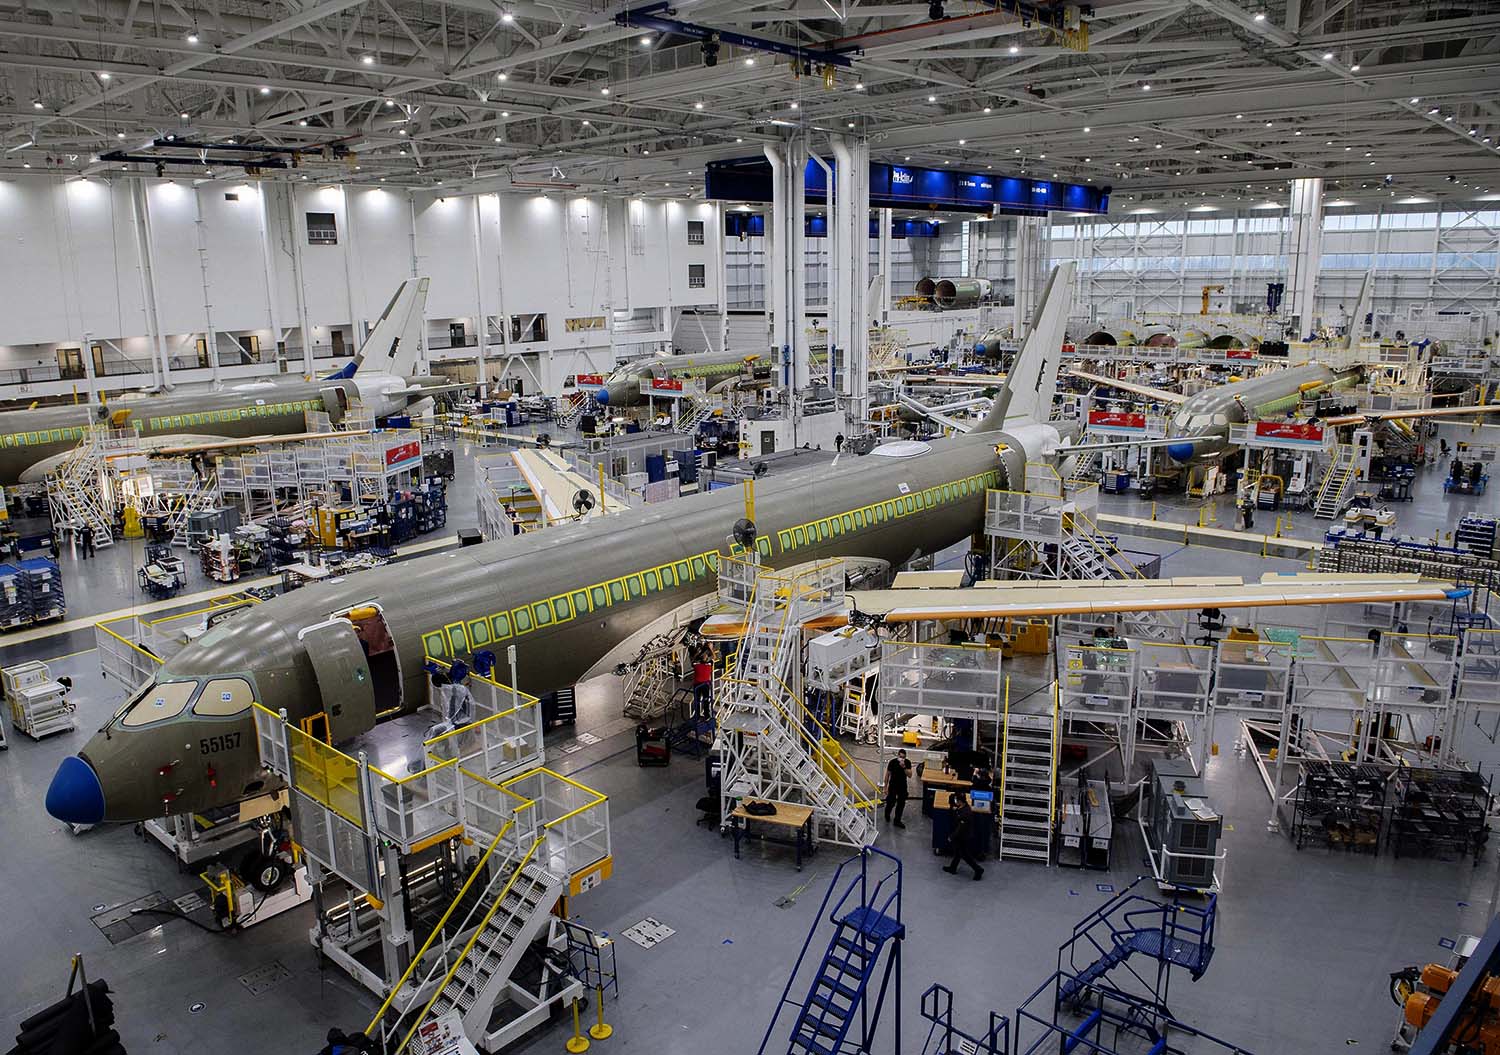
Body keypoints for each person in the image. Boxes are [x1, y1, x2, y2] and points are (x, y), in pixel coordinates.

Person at [942, 791, 984, 881]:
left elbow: (960, 829)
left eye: (957, 800)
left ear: (961, 801)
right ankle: (953, 868)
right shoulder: (961, 807)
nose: (955, 801)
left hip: (963, 836)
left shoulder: (965, 813)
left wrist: (952, 837)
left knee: (965, 855)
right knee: (957, 853)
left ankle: (978, 869)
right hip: (961, 835)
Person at [883, 749, 911, 828]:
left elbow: (910, 775)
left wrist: (904, 767)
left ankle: (897, 820)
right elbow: (887, 775)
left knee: (901, 803)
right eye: (900, 757)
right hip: (893, 785)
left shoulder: (907, 763)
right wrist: (885, 787)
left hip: (902, 786)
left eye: (903, 757)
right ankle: (887, 814)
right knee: (891, 802)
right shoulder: (892, 762)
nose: (902, 759)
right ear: (898, 755)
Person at [691, 644, 714, 720]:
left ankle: (703, 715)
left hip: (700, 685)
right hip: (703, 684)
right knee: (701, 700)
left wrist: (697, 653)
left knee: (704, 700)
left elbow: (693, 660)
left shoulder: (697, 664)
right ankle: (701, 715)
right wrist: (710, 649)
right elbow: (713, 657)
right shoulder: (709, 664)